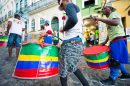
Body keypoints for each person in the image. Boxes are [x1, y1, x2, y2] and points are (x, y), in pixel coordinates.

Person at [94, 3, 130, 85]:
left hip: (118, 39)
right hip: (114, 40)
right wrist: (105, 41)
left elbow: (116, 22)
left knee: (114, 60)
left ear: (110, 8)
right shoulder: (110, 18)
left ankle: (112, 79)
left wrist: (99, 19)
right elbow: (109, 32)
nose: (102, 10)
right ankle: (125, 74)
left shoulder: (114, 14)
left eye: (104, 8)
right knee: (116, 58)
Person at [57, 0, 90, 86]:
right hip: (78, 43)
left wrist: (63, 29)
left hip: (71, 43)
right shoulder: (76, 9)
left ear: (65, 1)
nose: (63, 8)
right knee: (72, 67)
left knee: (62, 69)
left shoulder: (69, 5)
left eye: (62, 5)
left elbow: (73, 19)